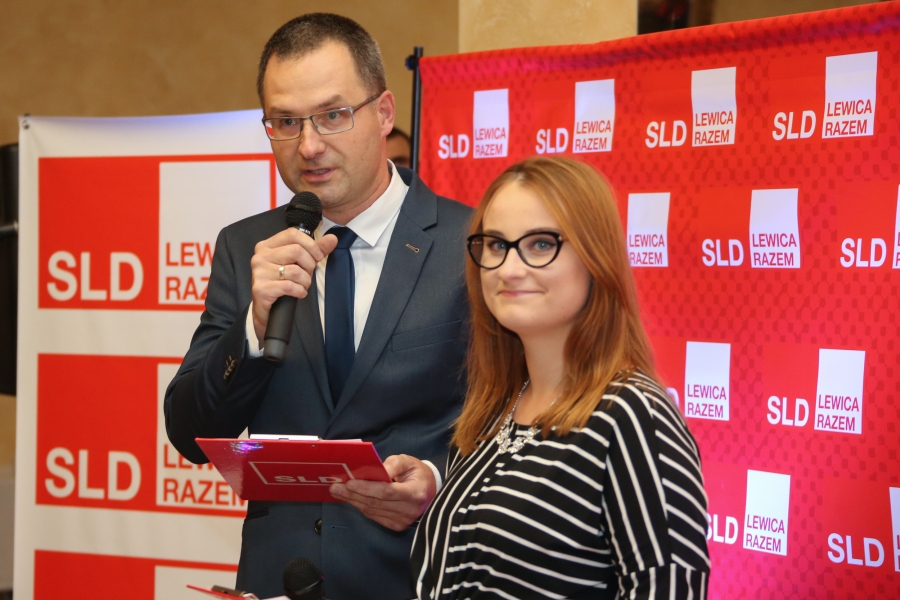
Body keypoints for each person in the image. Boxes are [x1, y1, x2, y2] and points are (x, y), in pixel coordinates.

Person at [164, 13, 472, 600]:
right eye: (285, 122)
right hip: (281, 576)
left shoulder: (469, 242)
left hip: (419, 573)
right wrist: (253, 329)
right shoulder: (245, 247)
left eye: (333, 115)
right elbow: (190, 430)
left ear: (384, 112)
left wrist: (438, 476)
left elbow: (519, 420)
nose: (308, 146)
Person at [410, 157, 710, 599]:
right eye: (496, 244)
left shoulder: (632, 416)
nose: (509, 269)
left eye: (540, 244)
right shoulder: (494, 407)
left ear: (595, 257)